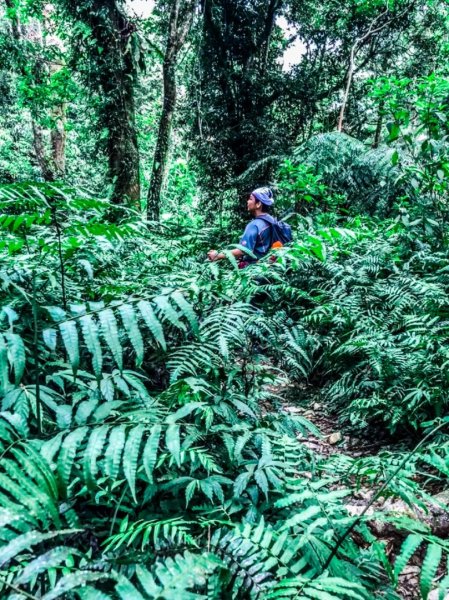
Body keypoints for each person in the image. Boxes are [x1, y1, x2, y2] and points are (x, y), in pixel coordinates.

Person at [207, 187, 286, 266]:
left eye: (250, 199)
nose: (248, 201)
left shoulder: (254, 225)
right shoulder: (272, 221)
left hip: (255, 271)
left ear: (258, 204)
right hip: (270, 268)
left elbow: (243, 250)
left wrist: (217, 255)